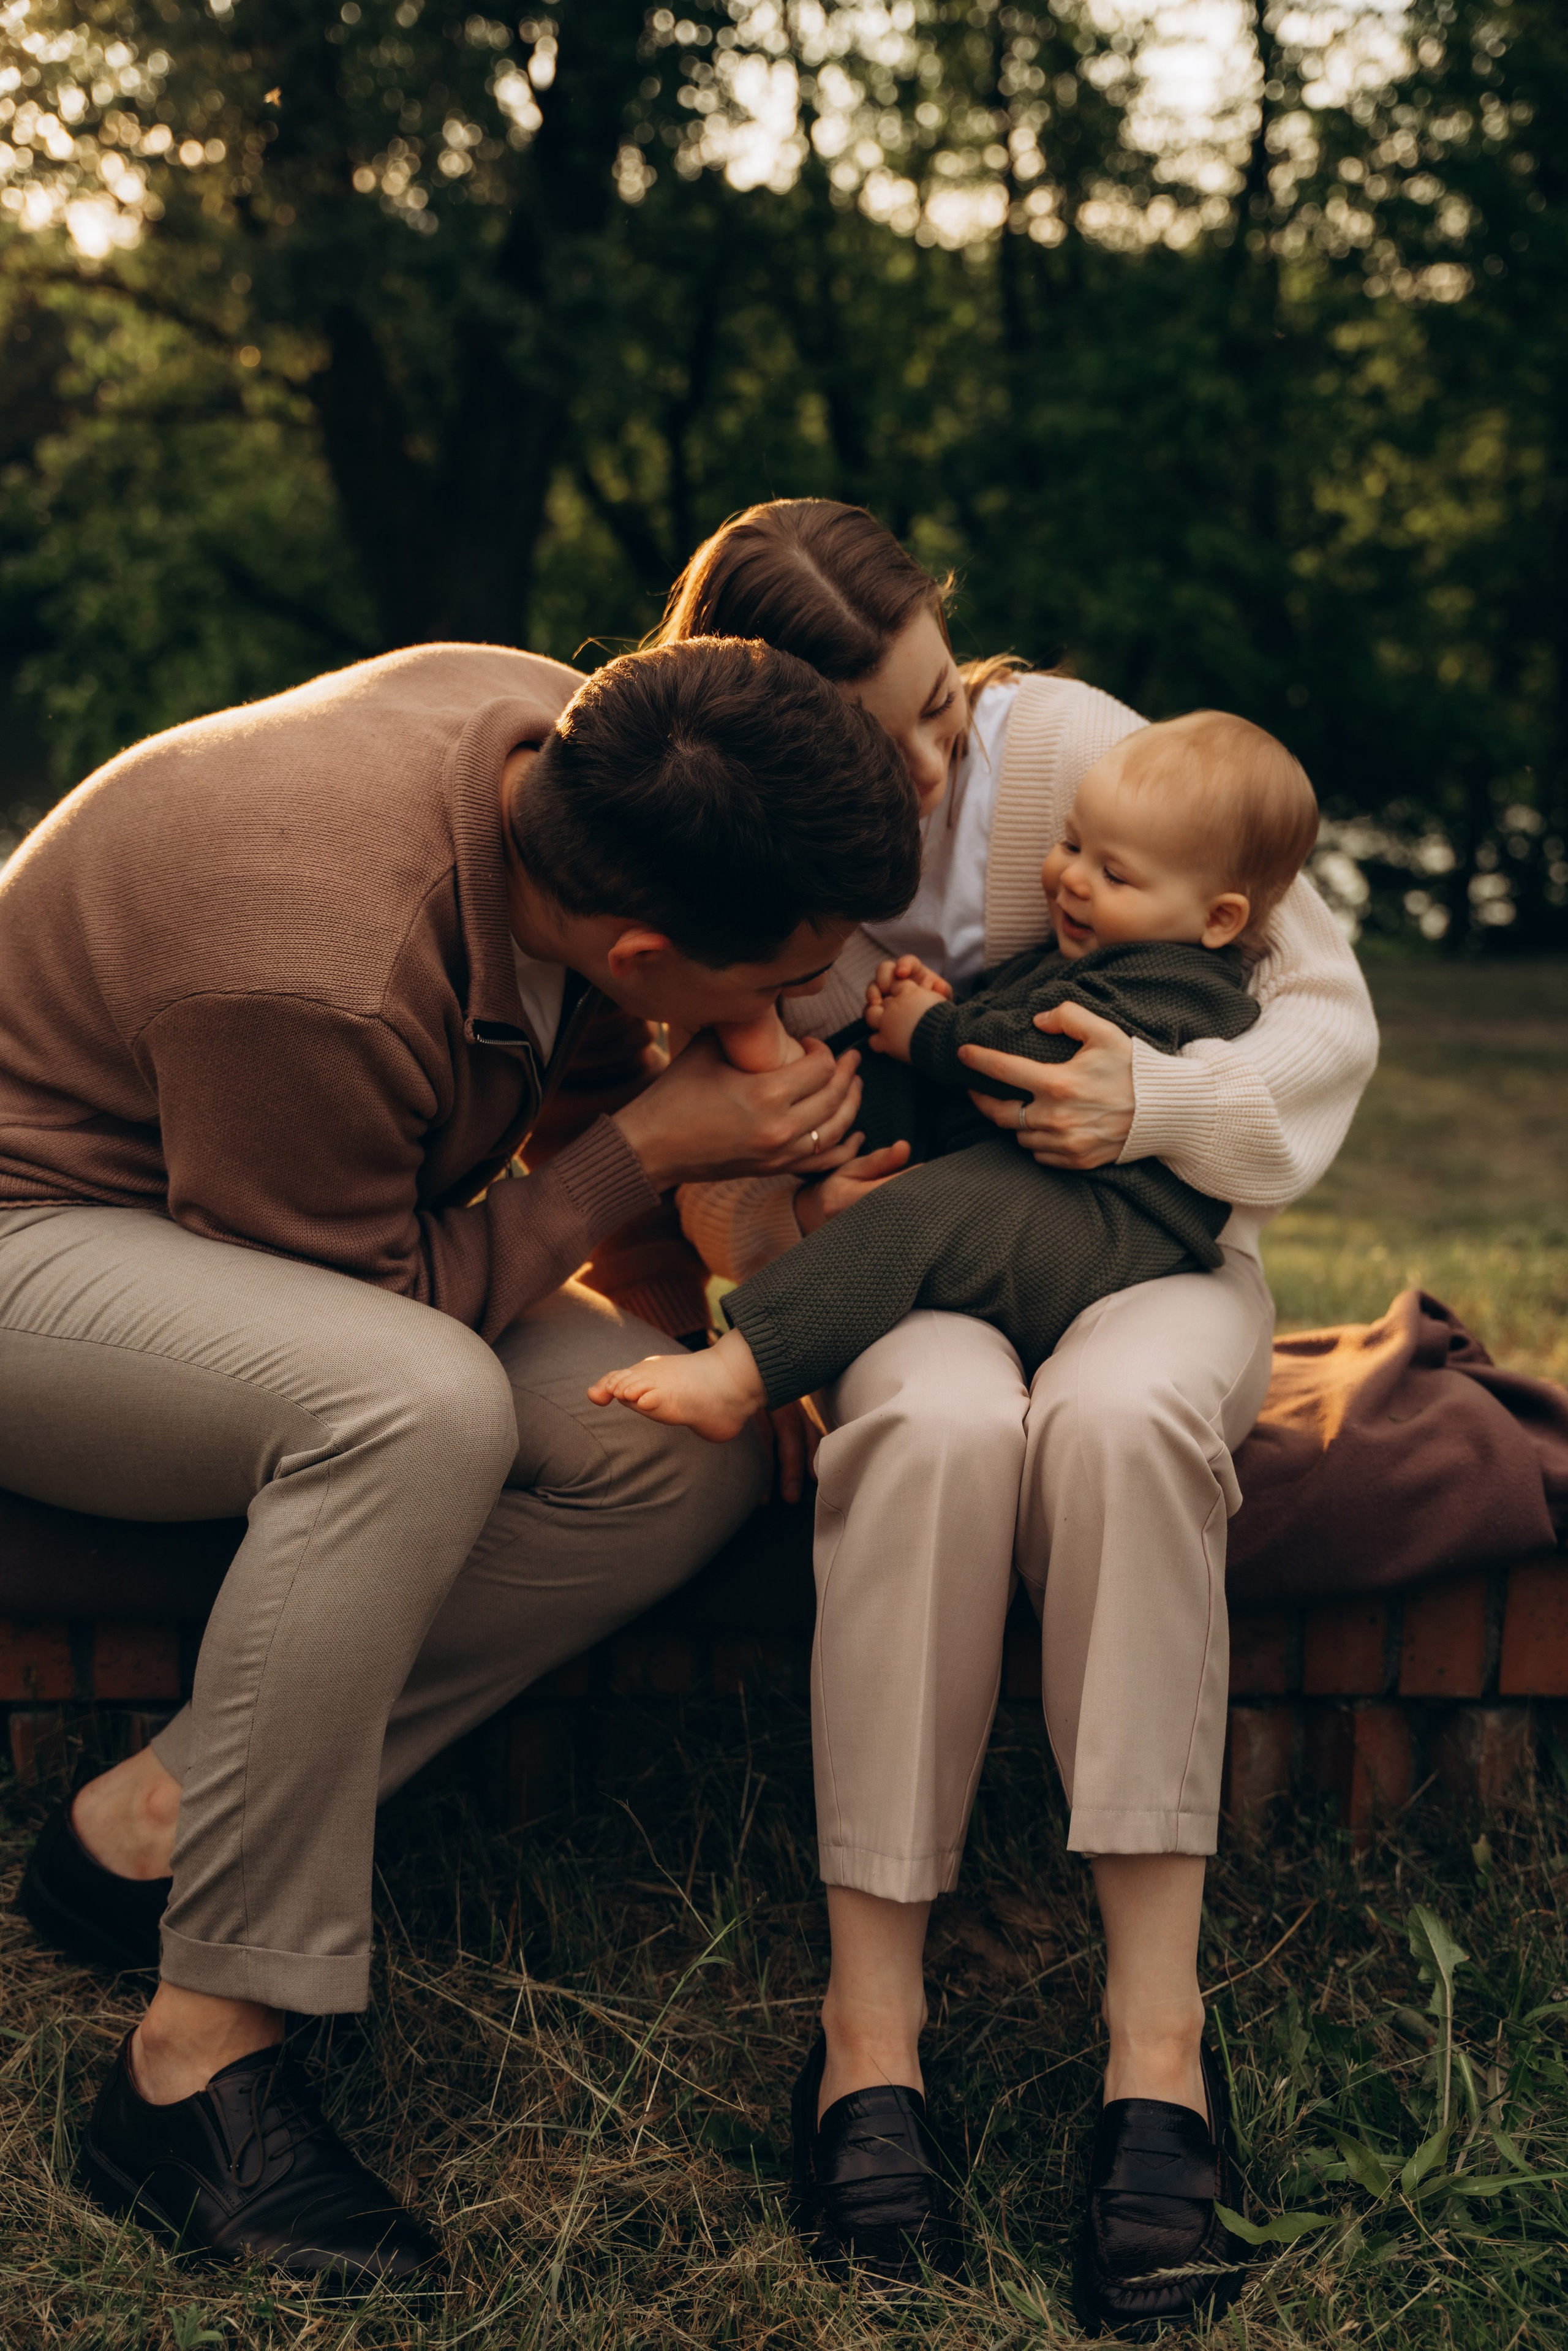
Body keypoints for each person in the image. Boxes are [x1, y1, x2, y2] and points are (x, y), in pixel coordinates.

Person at [0, 635, 920, 2289]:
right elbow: (370, 1314)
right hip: (39, 1241)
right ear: (644, 948)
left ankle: (151, 1829)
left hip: (253, 1220)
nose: (792, 1012)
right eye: (776, 981)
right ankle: (190, 2063)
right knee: (413, 1405)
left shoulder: (555, 737)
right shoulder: (318, 969)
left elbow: (509, 1143)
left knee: (666, 1441)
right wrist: (654, 1143)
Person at [664, 502, 1378, 2326]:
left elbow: (1317, 1010)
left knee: (1125, 1426)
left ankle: (1158, 2050)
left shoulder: (1064, 749)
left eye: (936, 701)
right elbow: (714, 1165)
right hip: (913, 1278)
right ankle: (868, 2034)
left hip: (1145, 1252)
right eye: (882, 736)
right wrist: (794, 1219)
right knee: (940, 1431)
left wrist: (1153, 1102)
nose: (935, 754)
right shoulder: (725, 863)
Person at [590, 710, 1314, 1432]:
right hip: (1027, 1178)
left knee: (913, 1212)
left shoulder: (1184, 983)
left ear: (1218, 919)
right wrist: (935, 1011)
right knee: (881, 1093)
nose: (1073, 879)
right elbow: (1018, 1022)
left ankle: (741, 1374)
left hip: (1107, 1224)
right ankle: (785, 1072)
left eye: (1114, 873)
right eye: (1070, 843)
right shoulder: (1093, 957)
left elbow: (1049, 1062)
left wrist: (933, 1028)